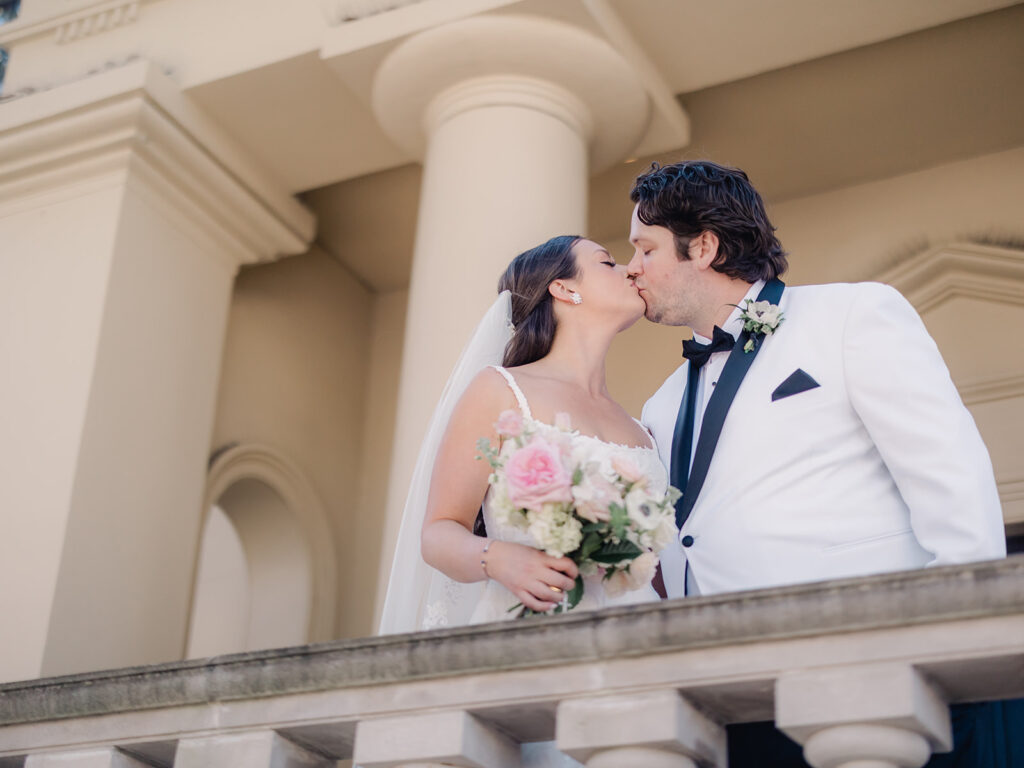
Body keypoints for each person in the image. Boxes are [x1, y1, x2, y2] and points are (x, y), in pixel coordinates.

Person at [626, 159, 1010, 765]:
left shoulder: (853, 314)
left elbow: (946, 469)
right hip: (730, 695)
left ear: (702, 247)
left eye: (645, 249)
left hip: (871, 659)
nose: (632, 267)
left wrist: (964, 633)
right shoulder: (662, 401)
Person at [378, 235, 666, 635]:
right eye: (607, 262)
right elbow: (439, 531)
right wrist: (498, 559)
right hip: (535, 631)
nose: (631, 270)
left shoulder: (642, 429)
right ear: (564, 288)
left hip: (637, 634)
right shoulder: (500, 391)